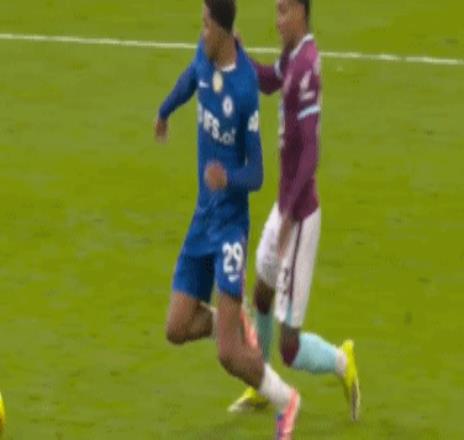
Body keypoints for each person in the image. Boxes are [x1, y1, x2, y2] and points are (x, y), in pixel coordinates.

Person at [155, 0, 301, 437]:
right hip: (202, 220)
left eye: (205, 24)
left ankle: (287, 400)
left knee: (228, 355)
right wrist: (165, 111)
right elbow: (191, 79)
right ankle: (229, 320)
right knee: (176, 327)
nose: (201, 31)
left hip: (230, 229)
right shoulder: (205, 56)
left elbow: (256, 173)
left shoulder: (244, 90)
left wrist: (227, 178)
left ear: (221, 29)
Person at [228, 0, 361, 422]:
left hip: (299, 216)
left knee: (291, 345)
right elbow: (269, 81)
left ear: (302, 12)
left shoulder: (306, 66)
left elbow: (310, 152)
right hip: (285, 207)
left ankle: (342, 361)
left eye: (284, 11)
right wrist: (241, 55)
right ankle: (262, 384)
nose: (277, 20)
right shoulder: (292, 57)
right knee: (261, 292)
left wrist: (288, 216)